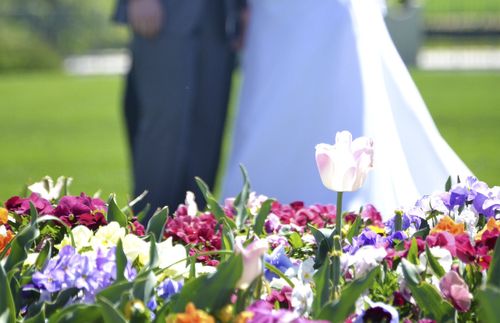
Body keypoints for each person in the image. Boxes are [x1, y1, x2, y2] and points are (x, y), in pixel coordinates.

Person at [221, 0, 472, 217]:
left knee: (339, 103)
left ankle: (344, 215)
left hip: (325, 13)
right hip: (278, 14)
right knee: (272, 110)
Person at [113, 0, 245, 220]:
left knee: (207, 137)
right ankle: (146, 239)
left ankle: (193, 242)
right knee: (162, 134)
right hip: (163, 13)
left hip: (220, 18)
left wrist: (241, 7)